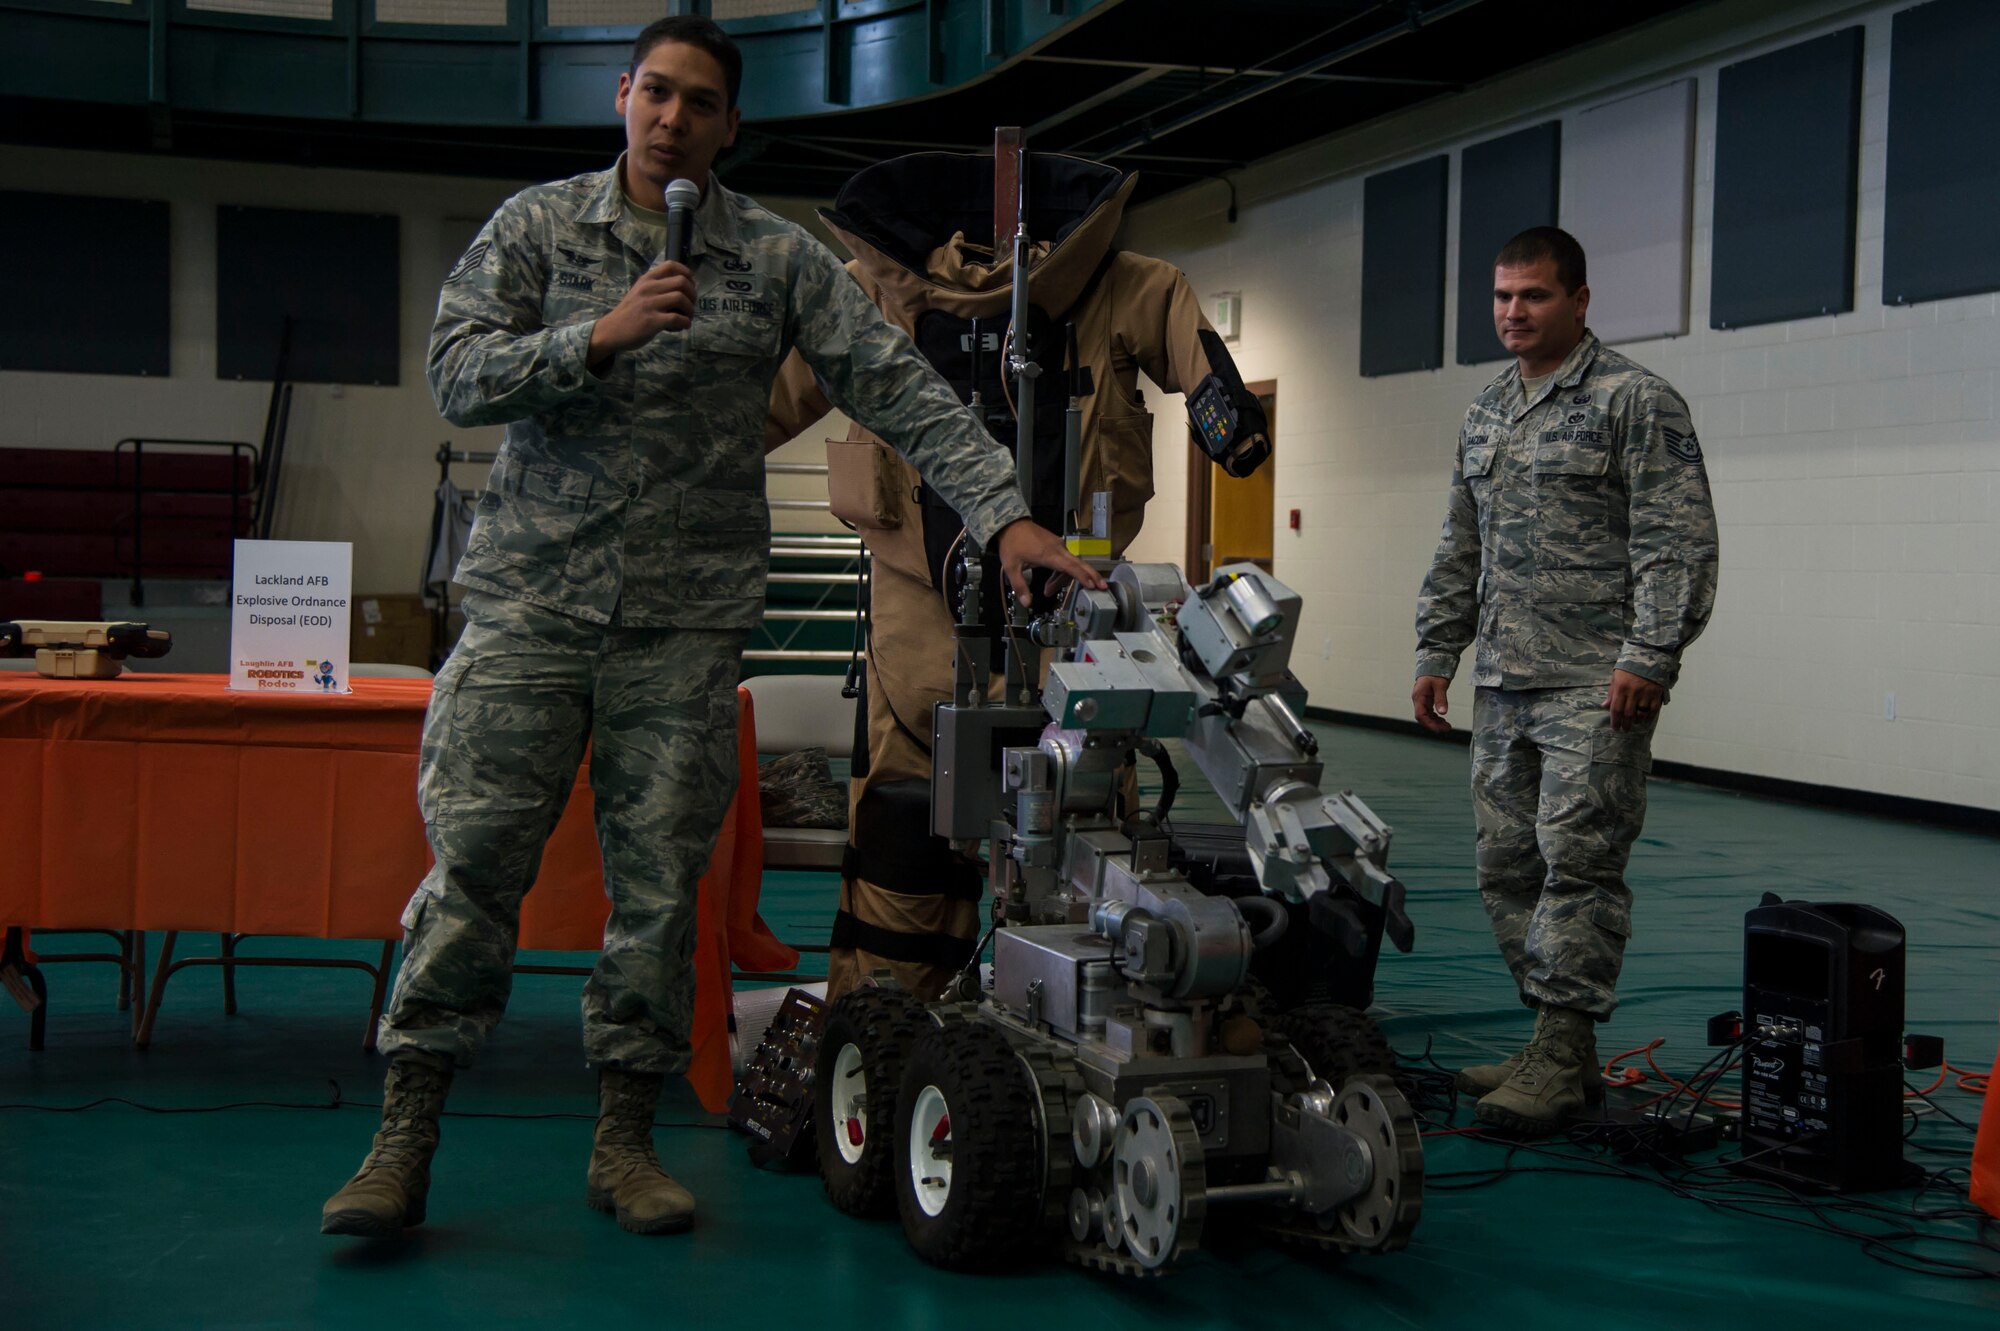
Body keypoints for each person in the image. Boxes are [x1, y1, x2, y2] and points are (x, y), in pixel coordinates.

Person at [319, 15, 1100, 1240]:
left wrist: (1002, 514)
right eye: (656, 93)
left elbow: (898, 386)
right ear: (623, 98)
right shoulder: (536, 228)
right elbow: (457, 375)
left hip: (681, 629)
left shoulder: (779, 260)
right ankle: (403, 1135)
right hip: (529, 606)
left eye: (700, 103)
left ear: (730, 126)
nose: (673, 117)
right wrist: (600, 333)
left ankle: (624, 1140)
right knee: (471, 875)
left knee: (657, 893)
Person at [764, 151, 1270, 1000]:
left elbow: (753, 404)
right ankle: (1068, 1011)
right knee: (1059, 823)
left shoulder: (869, 291)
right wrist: (1233, 427)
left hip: (1034, 614)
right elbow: (1207, 375)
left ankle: (888, 1020)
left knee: (920, 823)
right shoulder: (1120, 282)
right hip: (999, 620)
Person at [1411, 226, 1718, 1136]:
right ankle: (1562, 1047)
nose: (1513, 312)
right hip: (1505, 679)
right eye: (1503, 296)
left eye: (1533, 296)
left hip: (1595, 679)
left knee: (1579, 865)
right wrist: (1438, 648)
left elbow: (1677, 539)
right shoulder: (1487, 411)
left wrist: (1648, 654)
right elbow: (1459, 542)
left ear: (1578, 301)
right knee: (1508, 863)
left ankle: (1558, 1045)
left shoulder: (1636, 401)